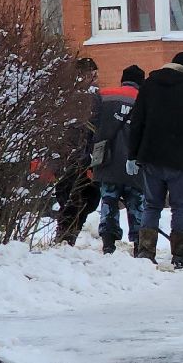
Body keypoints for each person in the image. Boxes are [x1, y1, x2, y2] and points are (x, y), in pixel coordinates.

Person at [127, 51, 183, 267]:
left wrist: (132, 155)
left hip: (150, 156)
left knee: (151, 205)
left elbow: (136, 122)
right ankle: (180, 255)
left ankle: (146, 252)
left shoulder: (148, 86)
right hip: (178, 159)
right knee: (180, 206)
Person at [90, 65, 147, 255]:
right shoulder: (145, 100)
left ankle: (108, 243)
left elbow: (91, 126)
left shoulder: (104, 95)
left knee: (109, 200)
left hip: (108, 160)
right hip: (135, 162)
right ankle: (139, 244)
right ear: (141, 82)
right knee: (136, 201)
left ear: (123, 79)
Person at [52, 57, 101, 247]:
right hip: (77, 155)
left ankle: (67, 233)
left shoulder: (86, 96)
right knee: (77, 195)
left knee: (84, 196)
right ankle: (66, 234)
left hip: (80, 155)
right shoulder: (81, 98)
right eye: (93, 74)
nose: (96, 78)